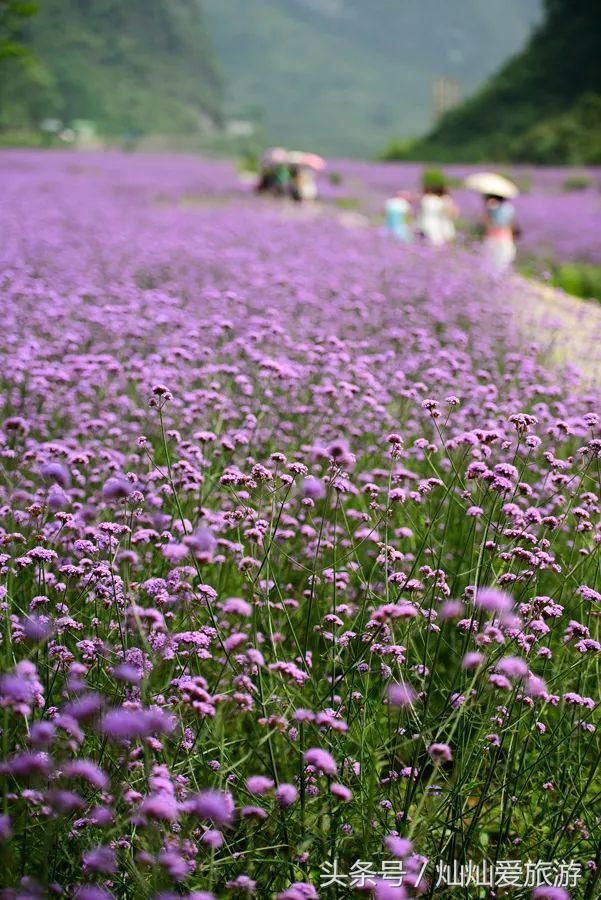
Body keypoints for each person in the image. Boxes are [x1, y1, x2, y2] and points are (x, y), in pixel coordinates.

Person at [417, 173, 458, 246]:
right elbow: (452, 213)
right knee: (439, 243)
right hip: (439, 223)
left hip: (425, 223)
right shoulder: (443, 199)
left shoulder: (426, 199)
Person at [482, 194, 518, 271]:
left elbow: (487, 222)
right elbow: (510, 223)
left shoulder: (491, 206)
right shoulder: (509, 208)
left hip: (493, 235)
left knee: (490, 257)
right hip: (505, 236)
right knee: (503, 258)